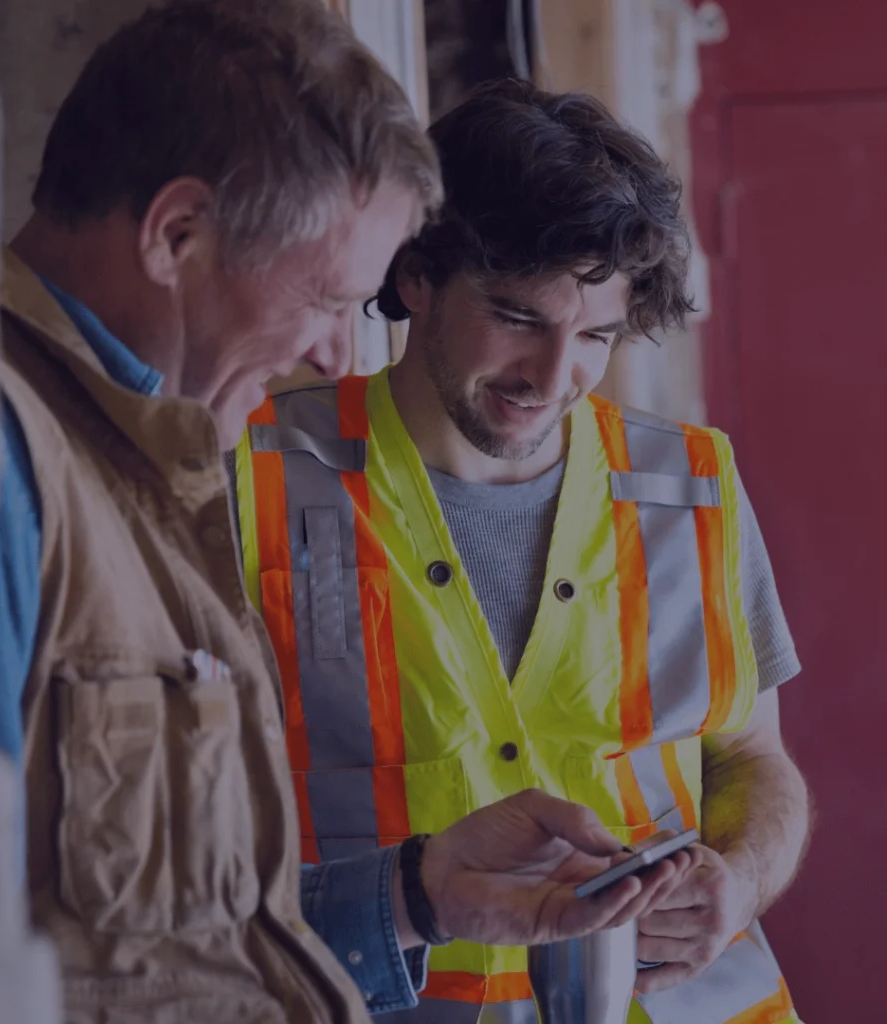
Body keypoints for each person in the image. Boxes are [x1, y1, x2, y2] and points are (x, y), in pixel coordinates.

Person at [0, 5, 690, 1022]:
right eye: (323, 297)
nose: (336, 357)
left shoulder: (140, 455)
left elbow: (153, 941)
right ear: (177, 233)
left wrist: (419, 891)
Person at [232, 79, 811, 1023]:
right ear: (417, 277)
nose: (555, 377)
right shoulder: (250, 477)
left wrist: (741, 880)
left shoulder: (690, 481)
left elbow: (753, 760)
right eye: (517, 318)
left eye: (596, 334)